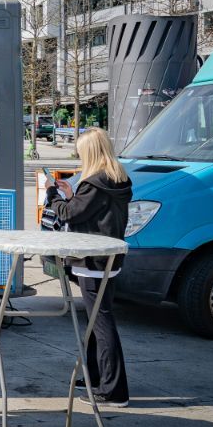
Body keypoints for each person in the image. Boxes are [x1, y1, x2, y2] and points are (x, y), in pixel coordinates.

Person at [44, 128, 132, 408]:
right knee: (97, 320)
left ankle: (114, 389)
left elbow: (69, 214)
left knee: (101, 322)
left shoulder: (93, 183)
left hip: (91, 260)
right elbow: (86, 210)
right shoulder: (117, 179)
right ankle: (96, 378)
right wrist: (71, 196)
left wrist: (52, 194)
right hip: (109, 258)